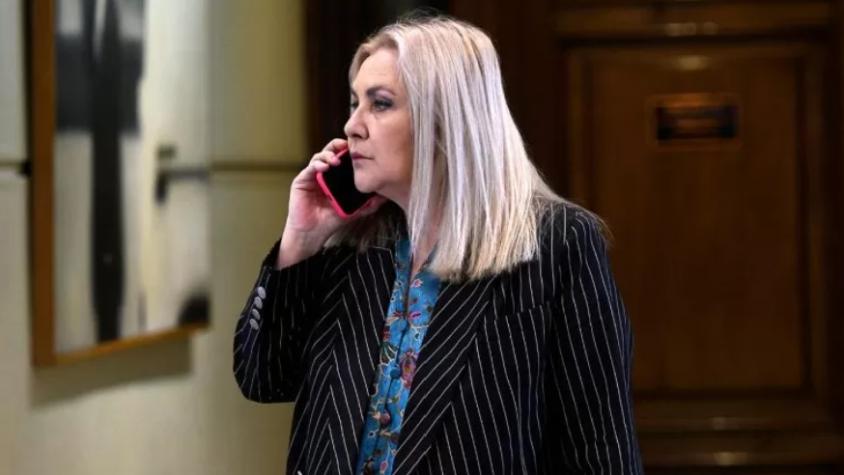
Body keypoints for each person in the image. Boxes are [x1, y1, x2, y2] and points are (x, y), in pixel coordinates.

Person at [234, 15, 642, 475]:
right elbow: (263, 378)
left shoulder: (555, 243)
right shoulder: (353, 247)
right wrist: (301, 238)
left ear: (446, 119)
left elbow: (600, 446)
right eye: (354, 103)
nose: (352, 126)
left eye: (380, 104)